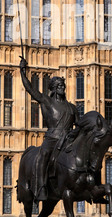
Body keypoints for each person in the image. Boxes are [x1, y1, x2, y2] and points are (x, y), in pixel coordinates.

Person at [20, 57, 80, 201]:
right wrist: (22, 71)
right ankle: (41, 188)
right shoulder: (46, 101)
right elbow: (30, 89)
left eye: (63, 85)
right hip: (52, 138)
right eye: (59, 86)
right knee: (43, 155)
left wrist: (74, 133)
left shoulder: (72, 108)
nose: (62, 88)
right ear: (53, 88)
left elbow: (78, 126)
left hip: (67, 140)